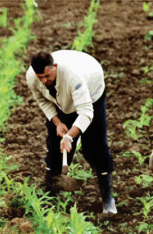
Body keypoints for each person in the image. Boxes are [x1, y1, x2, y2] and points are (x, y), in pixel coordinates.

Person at [25, 50, 116, 213]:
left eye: (47, 76)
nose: (44, 81)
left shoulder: (74, 77)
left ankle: (108, 199)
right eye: (41, 78)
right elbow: (42, 101)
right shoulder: (32, 77)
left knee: (95, 147)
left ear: (55, 67)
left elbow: (86, 112)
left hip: (91, 94)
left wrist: (70, 136)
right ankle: (50, 197)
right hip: (61, 102)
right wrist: (58, 123)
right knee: (54, 147)